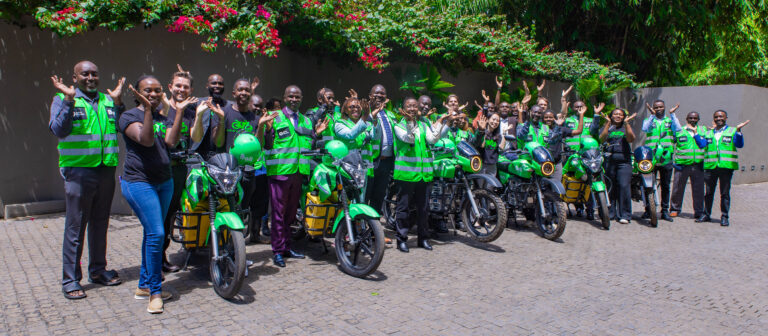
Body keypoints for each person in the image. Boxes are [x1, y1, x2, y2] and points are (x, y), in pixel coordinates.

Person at [49, 60, 125, 300]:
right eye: (85, 74)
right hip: (78, 171)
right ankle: (70, 279)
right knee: (75, 226)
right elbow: (58, 129)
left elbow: (122, 125)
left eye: (94, 73)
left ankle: (98, 270)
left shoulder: (106, 100)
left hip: (105, 170)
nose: (90, 77)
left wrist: (119, 102)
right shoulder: (63, 99)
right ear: (75, 78)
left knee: (101, 222)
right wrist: (70, 100)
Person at [120, 75, 185, 313]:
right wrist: (147, 109)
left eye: (158, 91)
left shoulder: (162, 116)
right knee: (157, 233)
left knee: (153, 233)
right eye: (148, 91)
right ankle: (155, 293)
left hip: (164, 182)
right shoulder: (128, 117)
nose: (154, 94)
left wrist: (178, 113)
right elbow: (146, 140)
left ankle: (143, 286)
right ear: (137, 92)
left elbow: (170, 142)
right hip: (139, 183)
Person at [257, 85, 328, 267]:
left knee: (290, 215)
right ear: (285, 97)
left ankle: (287, 247)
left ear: (302, 98)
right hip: (280, 173)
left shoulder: (305, 121)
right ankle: (278, 251)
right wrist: (266, 129)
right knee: (279, 215)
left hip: (298, 173)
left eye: (297, 96)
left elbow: (307, 146)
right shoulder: (276, 117)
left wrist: (316, 135)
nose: (294, 99)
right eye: (291, 96)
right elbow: (267, 145)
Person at [214, 78, 270, 241]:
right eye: (240, 89)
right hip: (226, 172)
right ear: (234, 93)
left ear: (251, 93)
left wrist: (260, 127)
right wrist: (221, 120)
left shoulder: (254, 118)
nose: (244, 93)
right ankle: (221, 249)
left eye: (247, 90)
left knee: (241, 212)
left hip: (247, 173)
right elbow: (218, 143)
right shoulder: (225, 112)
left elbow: (258, 147)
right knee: (225, 211)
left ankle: (235, 253)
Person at [392, 98, 447, 252]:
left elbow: (432, 139)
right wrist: (410, 123)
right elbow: (408, 139)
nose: (411, 108)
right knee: (403, 209)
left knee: (424, 209)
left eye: (414, 106)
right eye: (408, 106)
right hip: (406, 175)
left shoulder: (424, 124)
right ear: (403, 108)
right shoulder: (398, 125)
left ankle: (423, 238)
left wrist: (442, 121)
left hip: (424, 175)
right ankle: (401, 239)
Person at [158, 71, 198, 273]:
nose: (181, 89)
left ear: (191, 90)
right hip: (162, 169)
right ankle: (155, 262)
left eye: (186, 86)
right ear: (170, 86)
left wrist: (199, 115)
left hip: (180, 168)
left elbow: (193, 138)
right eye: (178, 85)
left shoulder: (190, 112)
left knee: (170, 215)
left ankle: (161, 258)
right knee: (158, 218)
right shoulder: (160, 108)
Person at [694, 110, 749, 226]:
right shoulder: (709, 133)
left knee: (724, 193)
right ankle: (706, 214)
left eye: (721, 116)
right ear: (714, 119)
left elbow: (739, 144)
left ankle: (724, 216)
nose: (719, 118)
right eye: (716, 117)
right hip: (711, 167)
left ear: (726, 118)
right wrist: (696, 135)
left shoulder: (732, 131)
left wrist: (739, 131)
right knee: (708, 193)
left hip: (725, 167)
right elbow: (702, 145)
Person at [561, 99, 603, 219]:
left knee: (589, 182)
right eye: (576, 107)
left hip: (588, 155)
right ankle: (578, 208)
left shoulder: (589, 120)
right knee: (574, 181)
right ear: (572, 108)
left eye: (581, 106)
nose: (579, 108)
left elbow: (594, 131)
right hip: (571, 156)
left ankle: (590, 209)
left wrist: (597, 115)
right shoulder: (568, 121)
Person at [641, 100, 682, 222]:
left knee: (665, 185)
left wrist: (673, 114)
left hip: (666, 157)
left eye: (660, 107)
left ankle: (664, 211)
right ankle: (648, 209)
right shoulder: (649, 120)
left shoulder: (669, 121)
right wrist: (652, 115)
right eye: (656, 107)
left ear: (664, 108)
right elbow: (644, 129)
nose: (658, 109)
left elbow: (678, 129)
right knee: (648, 185)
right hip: (651, 157)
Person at [599, 108, 637, 224]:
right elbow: (601, 139)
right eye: (615, 114)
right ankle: (609, 213)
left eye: (620, 115)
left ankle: (624, 214)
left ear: (624, 117)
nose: (618, 116)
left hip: (624, 161)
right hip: (609, 160)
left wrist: (627, 124)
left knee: (624, 186)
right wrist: (607, 124)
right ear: (611, 116)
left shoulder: (626, 127)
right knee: (610, 187)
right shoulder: (608, 127)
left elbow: (631, 139)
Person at [334, 97, 382, 186]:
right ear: (345, 110)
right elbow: (350, 135)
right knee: (351, 198)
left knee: (364, 199)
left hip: (366, 168)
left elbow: (376, 137)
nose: (355, 109)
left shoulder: (367, 124)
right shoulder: (340, 124)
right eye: (351, 107)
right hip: (348, 169)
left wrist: (374, 119)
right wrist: (365, 116)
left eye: (358, 107)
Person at [366, 84, 398, 212]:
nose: (379, 96)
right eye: (376, 93)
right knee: (365, 195)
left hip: (386, 162)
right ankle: (359, 226)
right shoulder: (364, 112)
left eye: (382, 94)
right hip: (371, 161)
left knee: (379, 196)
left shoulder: (390, 115)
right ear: (370, 96)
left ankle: (374, 227)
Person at [669, 111, 707, 219]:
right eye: (691, 118)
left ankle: (699, 211)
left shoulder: (703, 130)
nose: (693, 120)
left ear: (698, 119)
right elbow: (671, 144)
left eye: (695, 118)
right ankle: (675, 209)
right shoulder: (680, 131)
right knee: (677, 188)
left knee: (698, 190)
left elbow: (706, 144)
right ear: (687, 119)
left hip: (697, 165)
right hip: (682, 165)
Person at [541, 108, 588, 184]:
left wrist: (581, 115)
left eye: (551, 117)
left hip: (557, 164)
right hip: (542, 164)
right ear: (542, 119)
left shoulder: (560, 129)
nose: (548, 119)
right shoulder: (539, 129)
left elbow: (578, 131)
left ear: (554, 118)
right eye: (546, 117)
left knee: (557, 188)